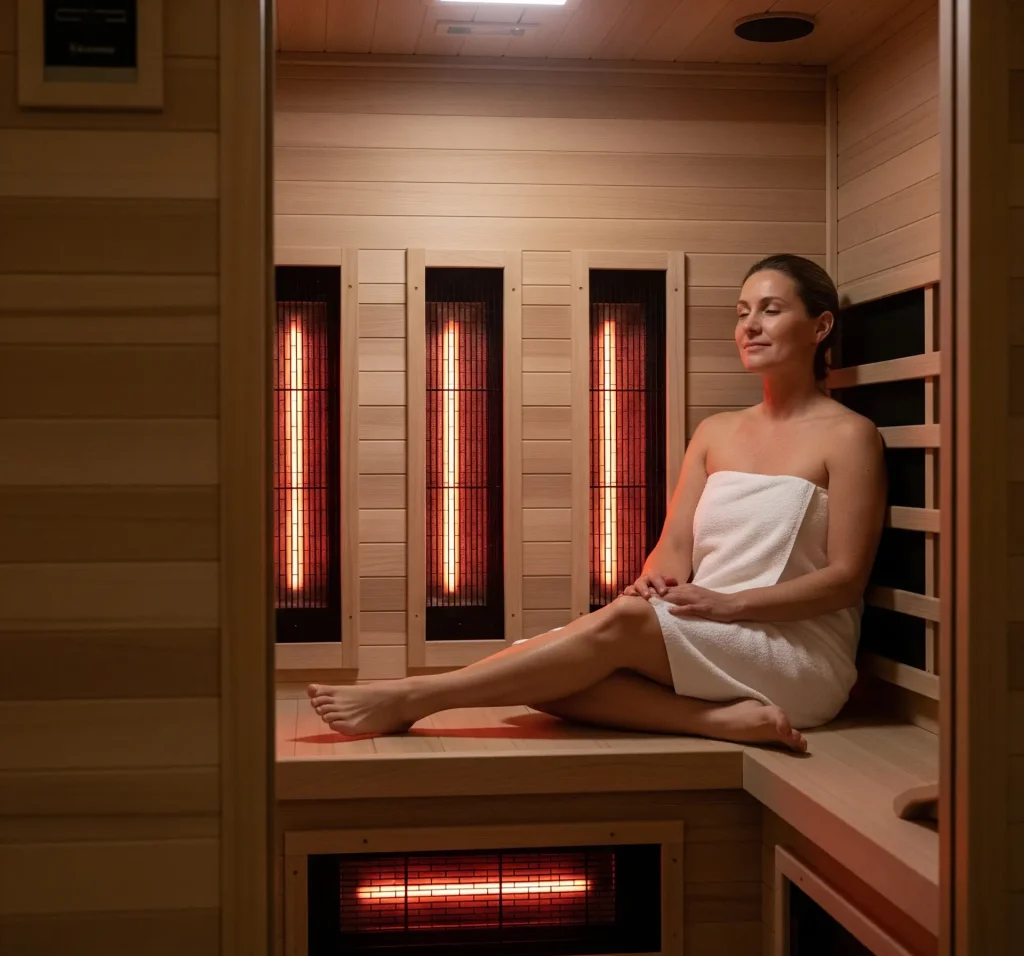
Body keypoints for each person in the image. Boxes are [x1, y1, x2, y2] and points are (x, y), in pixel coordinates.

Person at [308, 254, 886, 752]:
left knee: (564, 657)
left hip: (794, 652)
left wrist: (725, 606)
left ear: (820, 326)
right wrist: (654, 584)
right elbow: (674, 548)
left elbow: (845, 580)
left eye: (770, 310)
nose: (749, 327)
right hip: (711, 630)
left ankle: (414, 697)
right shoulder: (716, 431)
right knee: (541, 666)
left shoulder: (849, 436)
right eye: (741, 313)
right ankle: (721, 722)